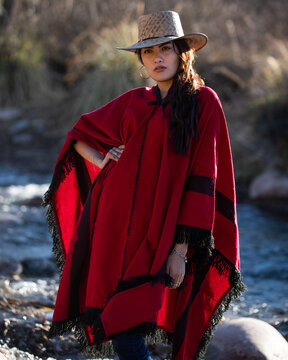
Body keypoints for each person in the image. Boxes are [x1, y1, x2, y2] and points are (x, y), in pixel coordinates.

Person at [43, 10, 246, 360]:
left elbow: (203, 180)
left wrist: (180, 252)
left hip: (162, 236)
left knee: (128, 324)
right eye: (149, 52)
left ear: (183, 52)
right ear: (141, 59)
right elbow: (78, 136)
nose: (158, 58)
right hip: (115, 230)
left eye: (166, 49)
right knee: (120, 327)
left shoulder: (204, 103)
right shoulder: (134, 101)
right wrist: (103, 159)